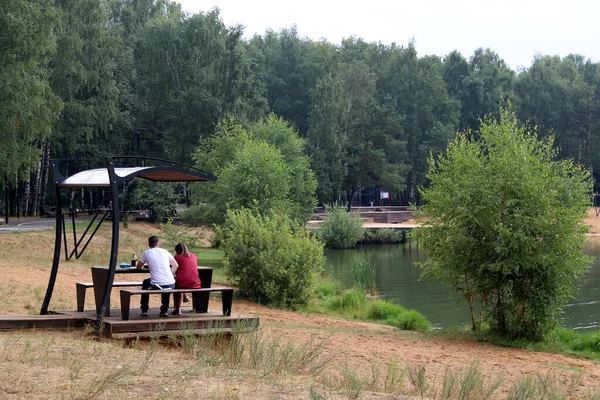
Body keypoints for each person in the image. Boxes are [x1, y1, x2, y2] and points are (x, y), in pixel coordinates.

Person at [136, 235, 178, 317]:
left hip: (157, 283)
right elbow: (175, 265)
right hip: (171, 282)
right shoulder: (165, 251)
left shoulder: (146, 252)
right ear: (158, 243)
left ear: (149, 244)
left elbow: (138, 267)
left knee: (146, 282)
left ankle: (144, 310)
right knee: (166, 288)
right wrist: (171, 275)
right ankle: (164, 310)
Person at [172, 242, 201, 315]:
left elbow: (174, 269)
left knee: (175, 283)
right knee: (182, 279)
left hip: (183, 282)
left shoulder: (177, 257)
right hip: (195, 282)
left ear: (177, 250)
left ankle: (177, 309)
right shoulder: (194, 256)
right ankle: (185, 297)